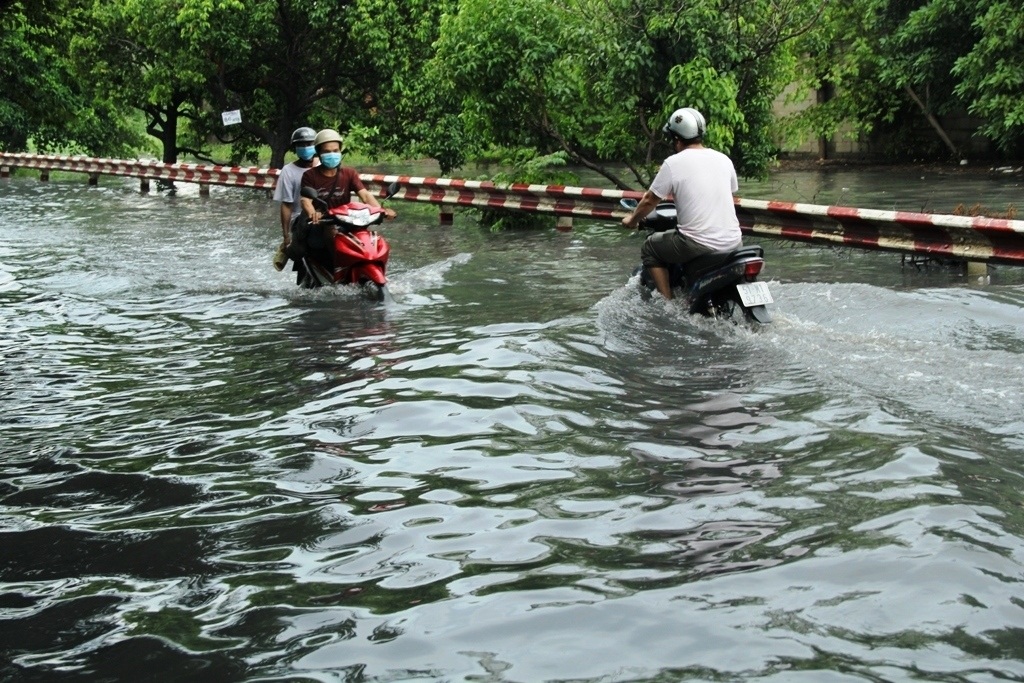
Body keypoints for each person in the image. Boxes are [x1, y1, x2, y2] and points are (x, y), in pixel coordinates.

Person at [621, 107, 742, 300]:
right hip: (735, 243)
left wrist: (632, 220)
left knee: (650, 248)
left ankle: (667, 304)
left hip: (699, 244)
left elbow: (650, 200)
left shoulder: (673, 163)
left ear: (676, 139)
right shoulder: (724, 159)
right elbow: (728, 192)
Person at [299, 128, 396, 222]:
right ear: (319, 153)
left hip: (346, 221)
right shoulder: (310, 175)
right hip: (322, 222)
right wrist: (314, 215)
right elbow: (306, 201)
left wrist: (382, 211)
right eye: (327, 152)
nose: (332, 154)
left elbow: (365, 195)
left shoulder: (349, 174)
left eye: (335, 151)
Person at [272, 126, 317, 270]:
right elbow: (287, 204)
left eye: (309, 144)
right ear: (295, 148)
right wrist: (286, 236)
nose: (305, 147)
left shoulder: (325, 166)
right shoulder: (288, 171)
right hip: (302, 219)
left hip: (326, 214)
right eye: (301, 145)